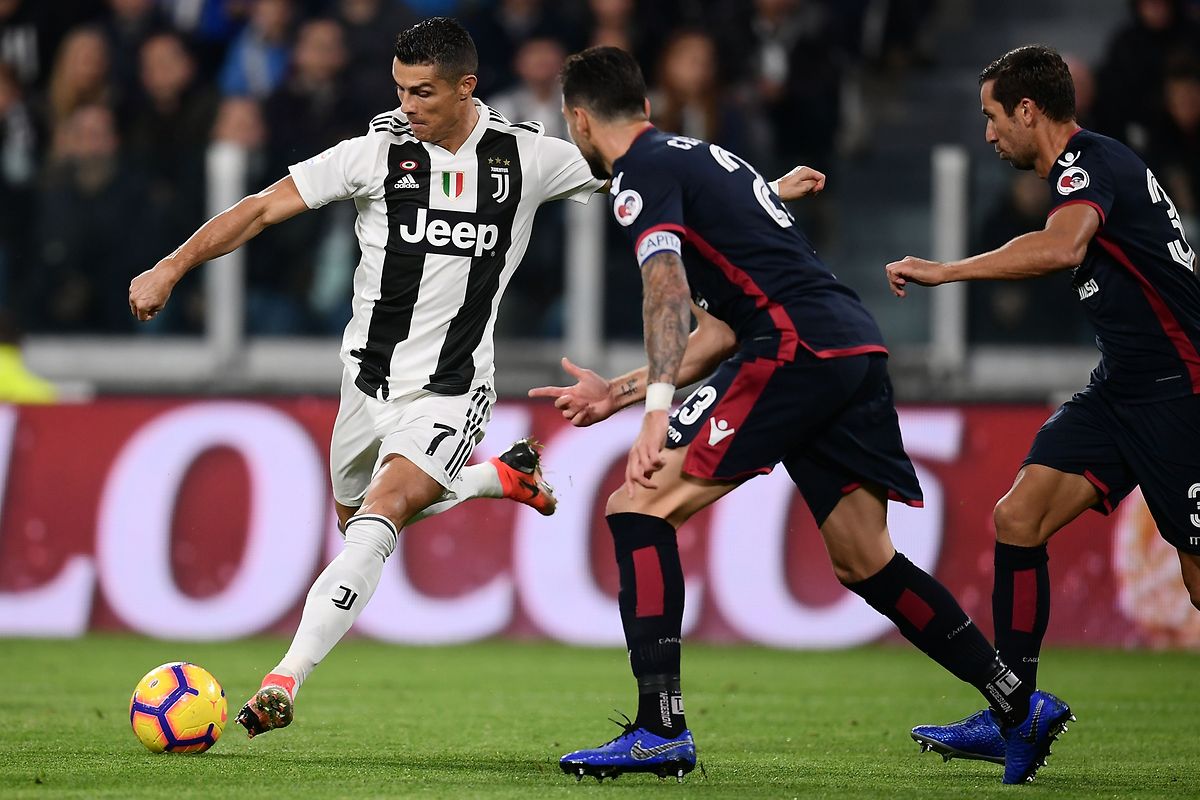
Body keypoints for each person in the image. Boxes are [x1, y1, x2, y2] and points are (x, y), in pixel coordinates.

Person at [530, 45, 1061, 786]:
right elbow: (719, 327)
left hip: (796, 350)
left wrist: (654, 412)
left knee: (638, 506)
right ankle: (1017, 703)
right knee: (864, 558)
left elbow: (668, 293)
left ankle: (659, 729)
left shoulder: (640, 176)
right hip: (851, 348)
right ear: (645, 106)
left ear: (578, 120)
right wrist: (615, 394)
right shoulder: (709, 160)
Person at [128, 16, 591, 740]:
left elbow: (641, 166)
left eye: (425, 92)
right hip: (364, 385)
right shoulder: (375, 154)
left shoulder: (528, 159)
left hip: (453, 388)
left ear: (467, 87)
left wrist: (760, 189)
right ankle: (498, 478)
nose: (409, 105)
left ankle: (284, 680)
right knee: (358, 524)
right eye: (401, 89)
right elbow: (259, 209)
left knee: (381, 515)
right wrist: (170, 265)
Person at [886, 44, 1198, 779]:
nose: (989, 134)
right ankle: (1015, 713)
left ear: (1029, 110)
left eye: (994, 118)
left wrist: (947, 270)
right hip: (1124, 386)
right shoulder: (1084, 170)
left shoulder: (1090, 164)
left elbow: (1062, 248)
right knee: (1016, 518)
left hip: (1182, 392)